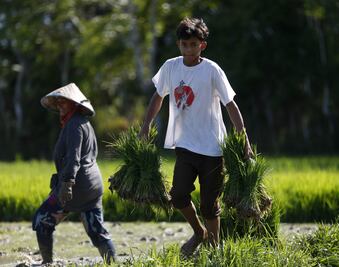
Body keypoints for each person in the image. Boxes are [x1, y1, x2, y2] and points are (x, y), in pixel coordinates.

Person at [139, 17, 253, 257]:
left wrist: (244, 139)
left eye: (193, 44)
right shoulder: (171, 67)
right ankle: (199, 232)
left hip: (212, 149)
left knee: (209, 205)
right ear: (179, 45)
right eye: (184, 44)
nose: (188, 49)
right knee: (178, 194)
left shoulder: (212, 70)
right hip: (185, 145)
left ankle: (214, 250)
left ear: (202, 45)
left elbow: (230, 104)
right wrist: (146, 125)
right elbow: (158, 96)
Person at [32, 83, 116, 264]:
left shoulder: (74, 125)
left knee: (42, 220)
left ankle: (47, 263)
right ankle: (114, 264)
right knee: (97, 231)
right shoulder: (82, 123)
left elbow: (74, 158)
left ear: (75, 104)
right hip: (92, 186)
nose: (60, 105)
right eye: (58, 103)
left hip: (78, 185)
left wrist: (67, 184)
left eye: (64, 102)